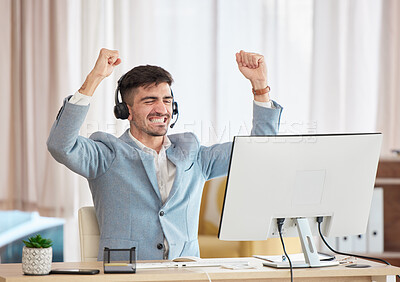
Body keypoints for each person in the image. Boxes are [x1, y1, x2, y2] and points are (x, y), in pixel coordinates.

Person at [47, 48, 283, 261]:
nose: (161, 109)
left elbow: (257, 151)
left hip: (186, 275)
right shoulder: (105, 154)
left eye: (167, 101)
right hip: (127, 276)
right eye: (150, 101)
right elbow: (60, 145)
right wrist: (94, 79)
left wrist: (260, 87)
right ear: (125, 111)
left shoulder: (192, 153)